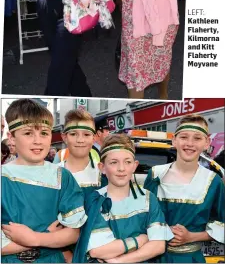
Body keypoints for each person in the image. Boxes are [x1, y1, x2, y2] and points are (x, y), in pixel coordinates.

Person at [1, 98, 87, 263]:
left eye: (44, 133)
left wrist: (34, 238)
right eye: (28, 133)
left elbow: (72, 233)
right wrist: (46, 237)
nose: (38, 141)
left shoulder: (62, 176)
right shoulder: (3, 177)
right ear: (11, 138)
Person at [73, 133, 173, 263]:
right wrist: (141, 240)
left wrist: (119, 261)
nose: (121, 168)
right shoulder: (95, 200)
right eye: (114, 162)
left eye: (127, 162)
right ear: (102, 168)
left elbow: (158, 246)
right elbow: (98, 250)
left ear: (134, 165)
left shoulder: (148, 198)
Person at [144, 114, 225, 263]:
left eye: (197, 138)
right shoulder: (155, 174)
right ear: (174, 140)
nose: (190, 143)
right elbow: (143, 216)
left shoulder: (213, 181)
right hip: (154, 257)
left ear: (207, 142)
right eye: (184, 137)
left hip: (190, 258)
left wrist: (191, 237)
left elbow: (221, 223)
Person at [59, 109, 107, 197]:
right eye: (73, 134)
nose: (80, 140)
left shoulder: (104, 175)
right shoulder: (52, 174)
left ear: (94, 138)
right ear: (65, 137)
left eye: (86, 135)